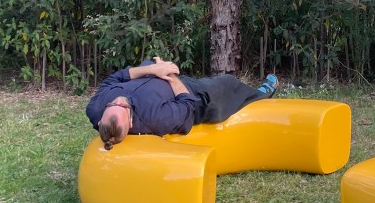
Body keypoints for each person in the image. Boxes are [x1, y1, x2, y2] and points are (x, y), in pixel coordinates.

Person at [85, 57, 279, 150]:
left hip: (152, 75)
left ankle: (154, 65)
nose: (119, 101)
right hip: (187, 90)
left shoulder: (95, 108)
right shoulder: (156, 119)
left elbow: (115, 78)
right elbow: (188, 104)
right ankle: (261, 94)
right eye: (124, 107)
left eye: (113, 105)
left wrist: (153, 68)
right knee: (226, 83)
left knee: (149, 59)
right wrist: (169, 75)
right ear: (131, 123)